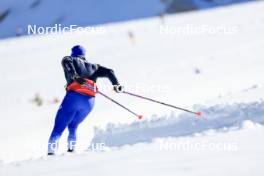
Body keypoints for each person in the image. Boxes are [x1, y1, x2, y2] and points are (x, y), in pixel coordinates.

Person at [48, 45, 123, 155]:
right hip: (89, 102)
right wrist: (116, 85)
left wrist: (75, 76)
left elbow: (66, 62)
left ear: (73, 53)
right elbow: (110, 71)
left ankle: (51, 153)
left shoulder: (69, 59)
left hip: (73, 97)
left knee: (58, 128)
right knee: (73, 126)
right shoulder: (94, 67)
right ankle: (71, 150)